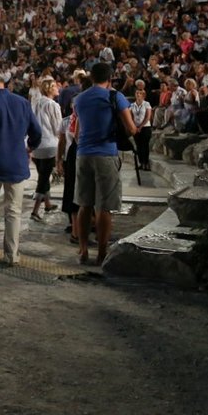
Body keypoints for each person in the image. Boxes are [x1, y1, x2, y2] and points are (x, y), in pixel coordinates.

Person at [0, 65, 42, 265]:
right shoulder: (22, 103)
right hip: (17, 163)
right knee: (13, 210)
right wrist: (29, 148)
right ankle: (12, 255)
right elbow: (36, 133)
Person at [73, 62, 136, 266]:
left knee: (84, 204)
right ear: (110, 79)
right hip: (106, 154)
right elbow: (131, 128)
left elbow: (77, 132)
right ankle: (101, 252)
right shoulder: (114, 96)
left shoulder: (80, 99)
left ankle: (82, 250)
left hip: (83, 154)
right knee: (104, 207)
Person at [30, 76, 62, 220]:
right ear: (50, 89)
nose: (58, 88)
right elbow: (58, 127)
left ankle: (47, 204)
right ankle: (35, 210)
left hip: (36, 145)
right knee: (43, 178)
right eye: (55, 86)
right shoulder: (52, 105)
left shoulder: (35, 103)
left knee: (43, 174)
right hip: (49, 145)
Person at [130, 88, 152, 171]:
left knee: (145, 146)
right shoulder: (132, 105)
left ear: (143, 95)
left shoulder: (146, 104)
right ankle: (141, 162)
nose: (138, 94)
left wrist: (141, 126)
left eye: (140, 93)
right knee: (138, 146)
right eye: (137, 93)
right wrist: (134, 126)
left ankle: (146, 163)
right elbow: (131, 116)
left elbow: (147, 116)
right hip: (135, 127)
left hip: (145, 127)